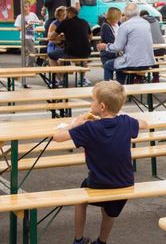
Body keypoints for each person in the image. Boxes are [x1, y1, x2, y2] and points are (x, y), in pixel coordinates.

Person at [53, 81, 148, 244]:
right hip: (125, 182)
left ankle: (78, 240)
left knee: (80, 201)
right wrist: (119, 113)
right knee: (109, 212)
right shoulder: (126, 122)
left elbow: (57, 137)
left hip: (98, 183)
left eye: (93, 100)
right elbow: (144, 124)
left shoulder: (89, 128)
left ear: (102, 106)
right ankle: (101, 241)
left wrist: (74, 124)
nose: (91, 103)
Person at [96, 3, 155, 84]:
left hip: (132, 63)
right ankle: (121, 86)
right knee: (119, 64)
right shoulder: (146, 23)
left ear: (125, 13)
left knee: (108, 65)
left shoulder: (125, 25)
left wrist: (105, 47)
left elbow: (118, 47)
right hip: (148, 62)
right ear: (138, 12)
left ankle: (111, 88)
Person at [49, 7, 93, 86]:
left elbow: (52, 37)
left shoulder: (65, 22)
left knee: (51, 55)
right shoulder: (84, 21)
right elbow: (90, 37)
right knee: (79, 58)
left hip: (71, 52)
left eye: (65, 14)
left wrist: (62, 36)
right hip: (86, 51)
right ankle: (82, 79)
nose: (65, 16)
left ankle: (61, 79)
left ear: (69, 13)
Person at [14, 1, 41, 86]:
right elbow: (17, 28)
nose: (25, 8)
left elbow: (38, 22)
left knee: (28, 53)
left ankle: (25, 69)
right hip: (25, 37)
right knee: (32, 52)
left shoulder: (33, 15)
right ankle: (29, 69)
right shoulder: (20, 16)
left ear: (29, 7)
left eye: (26, 6)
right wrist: (26, 26)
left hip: (32, 37)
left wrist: (40, 22)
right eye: (23, 7)